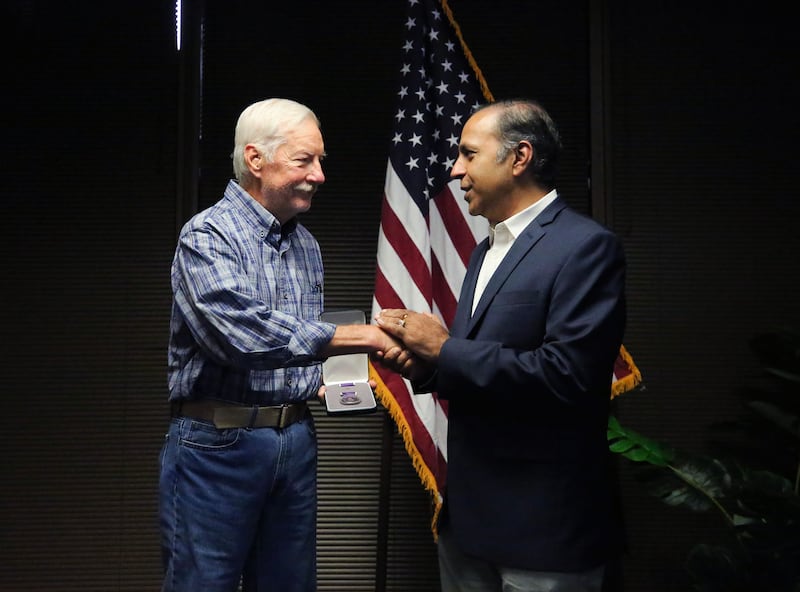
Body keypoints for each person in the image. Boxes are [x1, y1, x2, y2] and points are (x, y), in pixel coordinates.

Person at [375, 99, 626, 592]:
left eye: (469, 154)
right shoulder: (484, 250)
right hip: (469, 526)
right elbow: (483, 368)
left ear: (519, 157)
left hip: (545, 532)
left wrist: (443, 349)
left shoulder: (586, 247)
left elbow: (568, 375)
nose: (455, 169)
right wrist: (423, 367)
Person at [160, 98, 402, 592]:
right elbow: (242, 338)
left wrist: (334, 383)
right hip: (217, 447)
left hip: (294, 440)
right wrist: (364, 337)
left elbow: (294, 348)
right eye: (304, 160)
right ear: (255, 159)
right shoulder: (206, 236)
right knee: (203, 584)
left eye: (320, 161)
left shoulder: (306, 244)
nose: (319, 175)